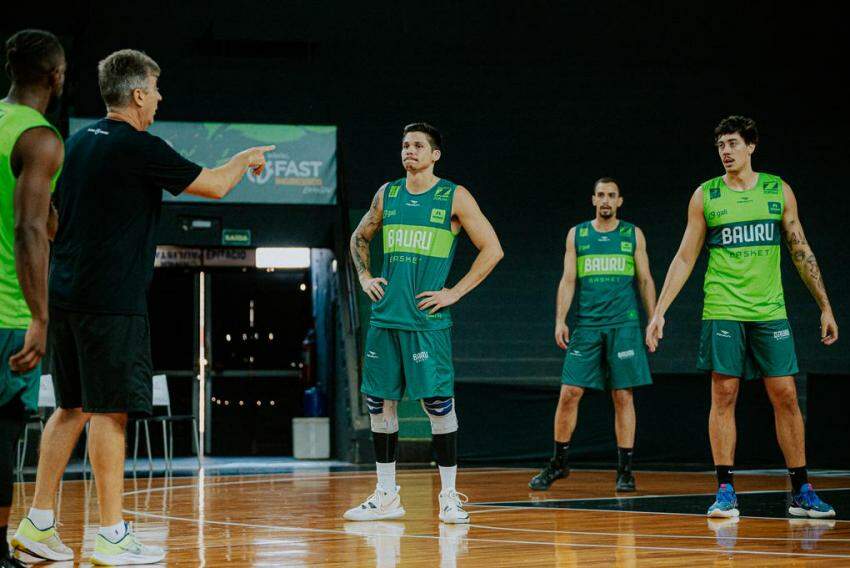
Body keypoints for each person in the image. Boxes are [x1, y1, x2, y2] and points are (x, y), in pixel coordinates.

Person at [12, 48, 274, 565]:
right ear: (136, 94)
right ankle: (111, 536)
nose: (158, 97)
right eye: (155, 89)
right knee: (111, 414)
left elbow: (52, 220)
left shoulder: (77, 143)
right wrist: (245, 159)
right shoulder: (139, 146)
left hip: (66, 297)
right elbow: (217, 186)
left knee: (70, 408)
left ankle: (38, 524)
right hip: (112, 303)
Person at [646, 115, 839, 518]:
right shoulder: (706, 195)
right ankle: (725, 490)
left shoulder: (777, 190)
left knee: (785, 395)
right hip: (723, 308)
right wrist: (659, 311)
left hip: (769, 310)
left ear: (751, 146)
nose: (726, 151)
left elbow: (801, 250)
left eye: (733, 143)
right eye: (720, 145)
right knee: (724, 395)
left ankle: (802, 489)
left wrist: (825, 305)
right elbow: (684, 257)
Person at [345, 123, 503, 524]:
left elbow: (493, 249)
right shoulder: (388, 193)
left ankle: (449, 497)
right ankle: (386, 496)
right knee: (379, 405)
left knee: (437, 405)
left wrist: (454, 292)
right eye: (404, 145)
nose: (408, 151)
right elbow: (359, 237)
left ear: (435, 154)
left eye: (417, 145)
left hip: (426, 323)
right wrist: (365, 277)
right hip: (385, 319)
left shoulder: (454, 196)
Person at [529, 178, 656, 492]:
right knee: (569, 393)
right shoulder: (578, 234)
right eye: (601, 195)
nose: (606, 200)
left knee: (622, 395)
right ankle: (559, 463)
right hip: (587, 326)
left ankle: (625, 470)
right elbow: (568, 279)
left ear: (619, 201)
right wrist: (560, 319)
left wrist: (654, 319)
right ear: (593, 199)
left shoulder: (632, 234)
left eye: (612, 195)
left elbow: (645, 280)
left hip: (623, 326)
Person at [0, 29, 65, 568]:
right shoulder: (40, 138)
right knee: (3, 435)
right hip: (8, 311)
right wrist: (40, 316)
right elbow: (26, 230)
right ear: (55, 77)